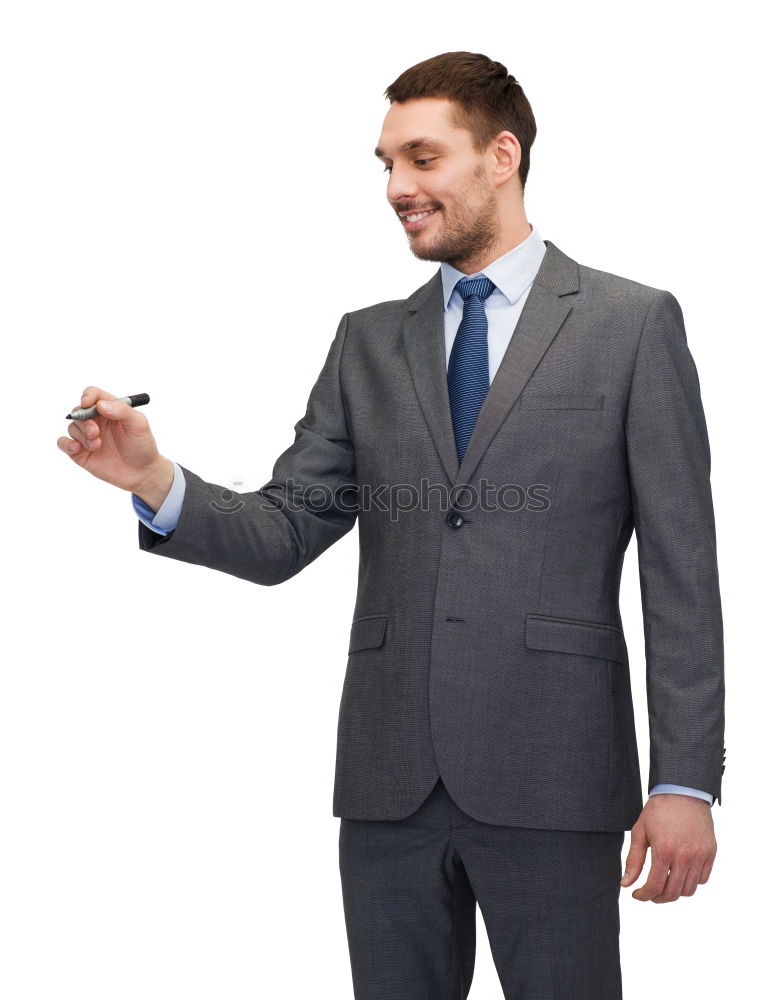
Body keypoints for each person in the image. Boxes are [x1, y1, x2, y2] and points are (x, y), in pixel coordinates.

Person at [57, 51, 725, 1000]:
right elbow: (287, 530)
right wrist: (155, 478)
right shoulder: (367, 340)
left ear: (502, 155)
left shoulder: (630, 324)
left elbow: (680, 572)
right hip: (387, 780)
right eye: (385, 165)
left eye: (420, 158)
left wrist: (684, 782)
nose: (397, 188)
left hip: (555, 772)